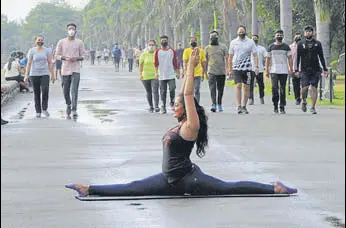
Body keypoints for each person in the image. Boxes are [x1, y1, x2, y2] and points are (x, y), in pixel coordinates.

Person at [65, 48, 298, 197]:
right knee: (132, 186)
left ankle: (273, 188)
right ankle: (89, 189)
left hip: (189, 180)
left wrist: (189, 67)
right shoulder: (179, 126)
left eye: (176, 105)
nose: (173, 107)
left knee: (229, 187)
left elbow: (188, 95)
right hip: (169, 179)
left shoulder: (190, 126)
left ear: (186, 110)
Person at [295, 25, 328, 114]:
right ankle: (304, 101)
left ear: (313, 33)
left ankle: (313, 107)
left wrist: (325, 69)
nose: (308, 33)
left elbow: (321, 57)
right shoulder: (300, 44)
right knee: (304, 88)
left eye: (310, 31)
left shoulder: (318, 43)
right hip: (304, 70)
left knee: (314, 88)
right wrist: (296, 69)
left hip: (315, 69)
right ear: (304, 33)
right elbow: (298, 57)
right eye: (306, 31)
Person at [55, 23, 85, 118]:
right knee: (65, 90)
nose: (71, 30)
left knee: (74, 90)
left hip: (75, 69)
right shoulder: (61, 42)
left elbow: (83, 56)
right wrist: (64, 58)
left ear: (75, 31)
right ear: (67, 31)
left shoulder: (79, 42)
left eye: (73, 29)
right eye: (69, 28)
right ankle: (68, 103)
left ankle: (74, 109)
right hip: (65, 69)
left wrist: (76, 58)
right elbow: (56, 56)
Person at [228, 26, 258, 114]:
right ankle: (238, 106)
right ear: (237, 32)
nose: (241, 32)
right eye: (239, 31)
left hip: (247, 68)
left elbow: (255, 55)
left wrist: (256, 67)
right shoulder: (233, 42)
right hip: (236, 68)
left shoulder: (250, 42)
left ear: (245, 32)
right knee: (238, 85)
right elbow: (230, 56)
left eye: (242, 31)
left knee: (246, 87)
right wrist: (229, 69)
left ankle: (244, 106)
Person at [24, 35, 55, 118]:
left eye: (41, 40)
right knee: (36, 93)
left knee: (45, 90)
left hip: (45, 73)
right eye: (38, 40)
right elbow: (29, 63)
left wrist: (52, 74)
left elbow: (50, 63)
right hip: (34, 74)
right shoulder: (32, 51)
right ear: (35, 41)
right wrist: (26, 75)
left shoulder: (47, 50)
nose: (40, 41)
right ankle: (38, 111)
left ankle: (44, 108)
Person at [265, 30, 293, 114]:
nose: (279, 36)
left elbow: (290, 58)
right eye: (278, 35)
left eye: (281, 35)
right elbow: (268, 59)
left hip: (284, 70)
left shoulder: (286, 47)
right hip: (274, 70)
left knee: (282, 89)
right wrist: (267, 70)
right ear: (275, 36)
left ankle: (282, 107)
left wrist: (291, 68)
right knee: (274, 89)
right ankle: (275, 105)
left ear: (283, 36)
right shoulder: (271, 47)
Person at [154, 35, 180, 114]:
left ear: (167, 41)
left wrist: (177, 72)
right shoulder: (158, 51)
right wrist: (156, 73)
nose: (164, 41)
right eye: (162, 40)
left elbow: (175, 62)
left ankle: (172, 101)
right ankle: (163, 106)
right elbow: (155, 63)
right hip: (162, 75)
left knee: (172, 88)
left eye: (165, 40)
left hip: (171, 74)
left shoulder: (171, 51)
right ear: (160, 41)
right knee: (163, 91)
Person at [205, 31, 229, 112]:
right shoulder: (207, 48)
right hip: (211, 71)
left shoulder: (223, 47)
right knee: (212, 89)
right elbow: (205, 61)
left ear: (218, 37)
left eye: (215, 36)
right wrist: (204, 72)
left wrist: (228, 69)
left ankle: (219, 104)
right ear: (210, 38)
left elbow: (227, 58)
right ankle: (213, 104)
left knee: (220, 89)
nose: (213, 38)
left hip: (221, 71)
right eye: (212, 37)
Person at [183, 36, 207, 103]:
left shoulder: (201, 51)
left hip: (198, 73)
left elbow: (203, 62)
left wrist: (203, 73)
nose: (193, 42)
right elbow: (185, 62)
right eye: (191, 41)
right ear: (189, 42)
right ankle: (189, 103)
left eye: (194, 41)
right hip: (189, 74)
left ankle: (196, 104)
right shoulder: (186, 51)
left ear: (197, 42)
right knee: (189, 90)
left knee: (196, 90)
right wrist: (185, 72)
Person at [139, 40, 160, 113]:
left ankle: (156, 106)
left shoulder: (157, 54)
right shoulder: (144, 54)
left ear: (155, 46)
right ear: (147, 46)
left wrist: (158, 73)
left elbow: (159, 64)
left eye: (152, 45)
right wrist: (140, 74)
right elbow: (141, 65)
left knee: (155, 91)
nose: (151, 46)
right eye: (150, 45)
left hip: (155, 75)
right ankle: (151, 106)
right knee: (149, 91)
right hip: (145, 76)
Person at [249, 34, 267, 105]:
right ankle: (250, 98)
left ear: (258, 39)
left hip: (260, 69)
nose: (254, 40)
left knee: (261, 84)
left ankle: (261, 97)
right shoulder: (249, 48)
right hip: (250, 69)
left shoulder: (261, 48)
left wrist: (266, 66)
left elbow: (266, 57)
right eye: (253, 39)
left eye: (255, 39)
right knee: (250, 84)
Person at [290, 32, 302, 105]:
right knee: (296, 85)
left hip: (303, 68)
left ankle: (303, 97)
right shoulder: (290, 47)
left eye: (299, 37)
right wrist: (290, 68)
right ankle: (297, 98)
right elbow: (289, 58)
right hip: (294, 68)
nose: (298, 38)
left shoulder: (304, 46)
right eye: (296, 37)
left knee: (304, 85)